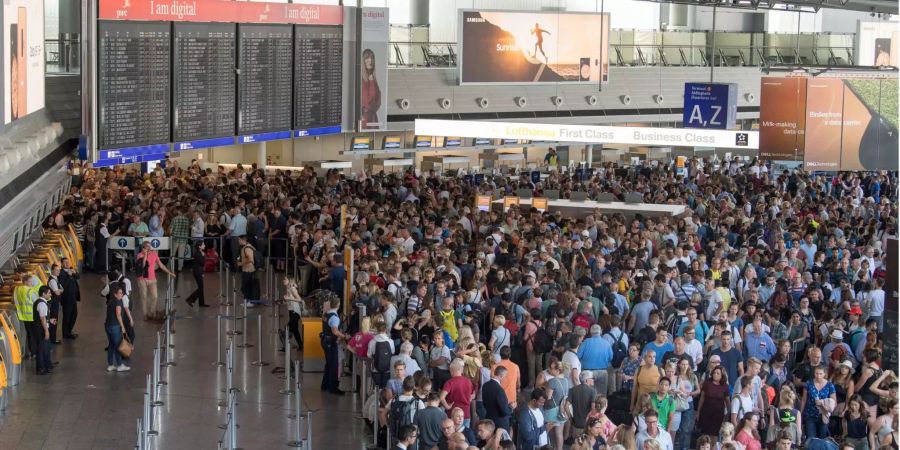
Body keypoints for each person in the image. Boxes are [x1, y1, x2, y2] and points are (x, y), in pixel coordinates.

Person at [136, 240, 175, 321]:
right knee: (144, 297)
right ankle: (145, 314)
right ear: (143, 248)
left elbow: (160, 265)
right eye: (147, 247)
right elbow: (143, 266)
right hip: (142, 279)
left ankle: (152, 312)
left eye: (150, 246)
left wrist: (169, 272)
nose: (149, 248)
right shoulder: (139, 255)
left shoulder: (154, 254)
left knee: (155, 296)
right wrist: (145, 255)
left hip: (152, 279)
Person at [321, 299, 347, 395]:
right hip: (331, 342)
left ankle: (325, 385)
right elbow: (335, 331)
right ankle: (333, 388)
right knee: (334, 365)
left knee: (328, 363)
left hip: (324, 340)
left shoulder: (326, 314)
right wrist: (344, 336)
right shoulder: (335, 318)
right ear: (338, 305)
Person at [697, 365, 730, 437]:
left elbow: (727, 401)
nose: (715, 374)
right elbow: (702, 398)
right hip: (706, 413)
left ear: (722, 375)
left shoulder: (725, 386)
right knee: (704, 435)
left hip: (718, 414)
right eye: (714, 372)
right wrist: (698, 412)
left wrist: (728, 414)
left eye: (718, 373)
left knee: (714, 435)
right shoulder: (707, 383)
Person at [105, 286, 130, 372]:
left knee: (111, 345)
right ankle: (120, 365)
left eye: (122, 293)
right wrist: (122, 327)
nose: (121, 294)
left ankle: (110, 365)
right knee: (118, 346)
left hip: (108, 326)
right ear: (115, 294)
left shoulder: (110, 301)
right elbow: (118, 314)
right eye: (119, 293)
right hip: (115, 326)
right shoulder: (118, 302)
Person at [482, 365, 514, 432]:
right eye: (505, 376)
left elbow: (484, 404)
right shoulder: (499, 390)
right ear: (501, 376)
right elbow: (505, 411)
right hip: (500, 424)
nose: (505, 378)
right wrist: (511, 407)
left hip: (489, 421)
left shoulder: (485, 386)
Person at [32, 286, 53, 375]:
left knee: (45, 348)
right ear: (44, 294)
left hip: (39, 327)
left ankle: (47, 365)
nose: (50, 294)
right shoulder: (42, 304)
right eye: (49, 293)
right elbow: (42, 318)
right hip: (40, 329)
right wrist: (46, 331)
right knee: (41, 349)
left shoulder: (39, 302)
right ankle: (41, 369)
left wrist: (50, 320)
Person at [59, 257, 80, 340]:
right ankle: (65, 333)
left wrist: (73, 273)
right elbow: (64, 285)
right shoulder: (61, 274)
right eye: (65, 262)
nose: (67, 264)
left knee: (74, 314)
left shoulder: (71, 270)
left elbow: (78, 277)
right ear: (61, 264)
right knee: (67, 316)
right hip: (67, 298)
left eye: (68, 262)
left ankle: (69, 330)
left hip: (73, 297)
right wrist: (69, 276)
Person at [360, 48, 382, 129]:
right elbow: (368, 103)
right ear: (363, 61)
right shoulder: (362, 80)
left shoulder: (372, 78)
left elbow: (378, 102)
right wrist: (371, 82)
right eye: (367, 57)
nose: (370, 60)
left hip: (373, 120)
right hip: (365, 122)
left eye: (372, 57)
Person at [185, 241, 209, 307]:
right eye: (203, 244)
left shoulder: (200, 253)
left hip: (199, 271)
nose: (204, 245)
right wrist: (203, 256)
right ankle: (190, 299)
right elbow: (202, 263)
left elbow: (201, 265)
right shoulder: (198, 254)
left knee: (201, 287)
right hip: (197, 271)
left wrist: (202, 273)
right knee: (201, 288)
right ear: (199, 246)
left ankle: (201, 303)